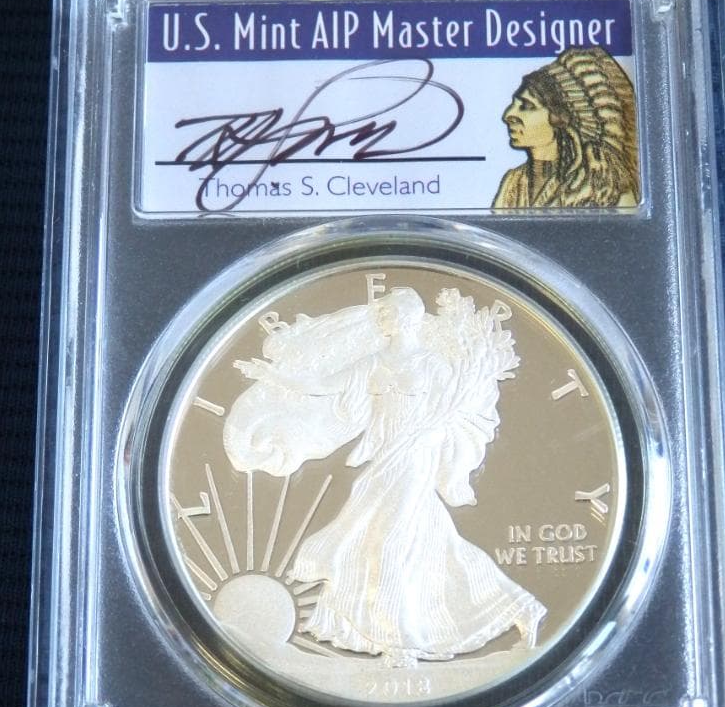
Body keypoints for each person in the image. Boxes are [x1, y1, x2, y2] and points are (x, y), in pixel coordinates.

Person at [224, 285, 546, 665]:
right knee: (435, 543)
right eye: (383, 313)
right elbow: (323, 386)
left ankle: (400, 641)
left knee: (387, 540)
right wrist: (274, 377)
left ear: (408, 317)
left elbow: (450, 415)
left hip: (415, 459)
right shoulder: (374, 362)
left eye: (389, 313)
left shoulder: (433, 365)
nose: (383, 318)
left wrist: (428, 434)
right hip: (385, 460)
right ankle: (519, 607)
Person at [493, 46, 639, 209]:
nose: (508, 115)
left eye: (527, 106)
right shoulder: (513, 182)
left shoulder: (604, 185)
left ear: (560, 119)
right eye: (514, 104)